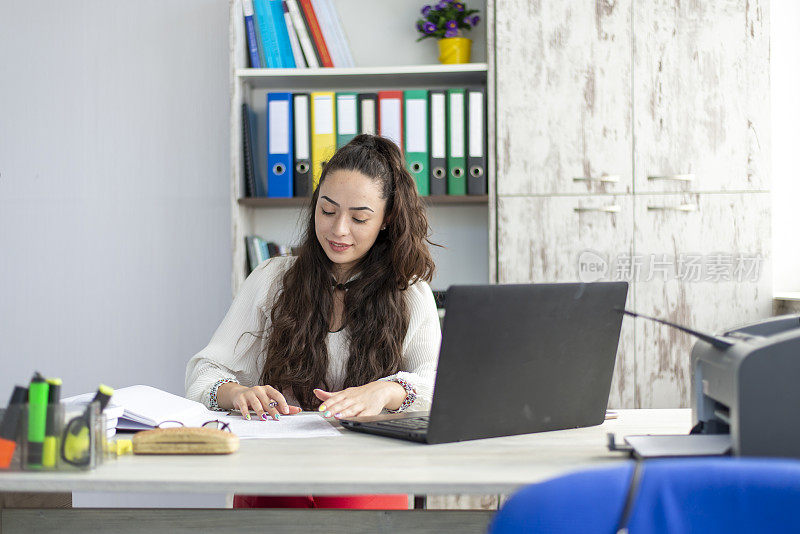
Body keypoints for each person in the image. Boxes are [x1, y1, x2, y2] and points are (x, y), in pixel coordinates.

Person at [185, 134, 442, 509]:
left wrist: (386, 391)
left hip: (366, 477)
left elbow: (438, 389)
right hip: (275, 478)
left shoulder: (409, 293)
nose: (339, 230)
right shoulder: (274, 278)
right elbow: (202, 372)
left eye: (359, 218)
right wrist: (235, 392)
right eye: (327, 210)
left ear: (386, 220)